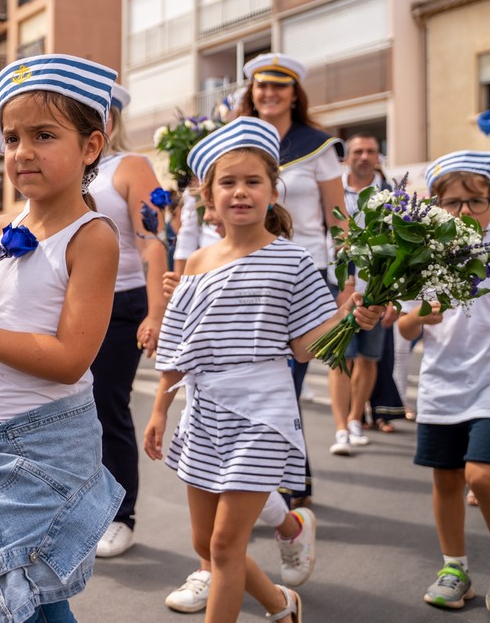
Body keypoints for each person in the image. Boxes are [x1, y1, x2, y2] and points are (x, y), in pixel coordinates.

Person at [143, 117, 384, 623]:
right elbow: (180, 344)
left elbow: (304, 348)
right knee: (206, 545)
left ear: (274, 191)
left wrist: (348, 316)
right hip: (203, 412)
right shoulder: (197, 262)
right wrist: (161, 405)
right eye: (227, 183)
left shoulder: (294, 262)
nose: (240, 193)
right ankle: (281, 605)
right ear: (209, 198)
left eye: (253, 181)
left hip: (263, 414)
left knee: (226, 546)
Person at [0, 55, 124, 622]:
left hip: (48, 439)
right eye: (11, 138)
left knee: (18, 592)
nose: (22, 152)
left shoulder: (93, 237)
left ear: (90, 146)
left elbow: (69, 359)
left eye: (43, 135)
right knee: (24, 595)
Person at [233, 53, 347, 500]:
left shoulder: (319, 146)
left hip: (305, 272)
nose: (269, 94)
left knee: (288, 377)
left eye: (279, 86)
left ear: (294, 94)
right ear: (252, 91)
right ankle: (283, 476)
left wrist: (347, 281)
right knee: (252, 377)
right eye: (262, 86)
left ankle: (281, 479)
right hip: (246, 271)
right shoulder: (237, 141)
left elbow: (338, 219)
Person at [397, 150, 490, 611]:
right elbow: (405, 326)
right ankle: (455, 568)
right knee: (448, 478)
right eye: (453, 203)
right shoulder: (422, 250)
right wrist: (421, 319)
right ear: (436, 206)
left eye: (475, 202)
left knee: (482, 475)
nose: (465, 212)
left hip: (489, 381)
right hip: (442, 382)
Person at [83, 83, 168, 558]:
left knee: (106, 407)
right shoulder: (68, 166)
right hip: (66, 299)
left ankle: (120, 516)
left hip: (121, 303)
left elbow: (152, 242)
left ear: (111, 118)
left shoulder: (131, 166)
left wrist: (156, 312)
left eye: (99, 110)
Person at [337, 133, 400, 443]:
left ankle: (355, 418)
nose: (364, 156)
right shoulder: (334, 192)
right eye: (358, 151)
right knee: (343, 354)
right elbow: (333, 238)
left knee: (369, 357)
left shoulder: (393, 194)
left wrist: (395, 296)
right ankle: (343, 422)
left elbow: (402, 247)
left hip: (378, 288)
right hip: (342, 288)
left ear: (379, 157)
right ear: (348, 157)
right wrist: (342, 282)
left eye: (370, 151)